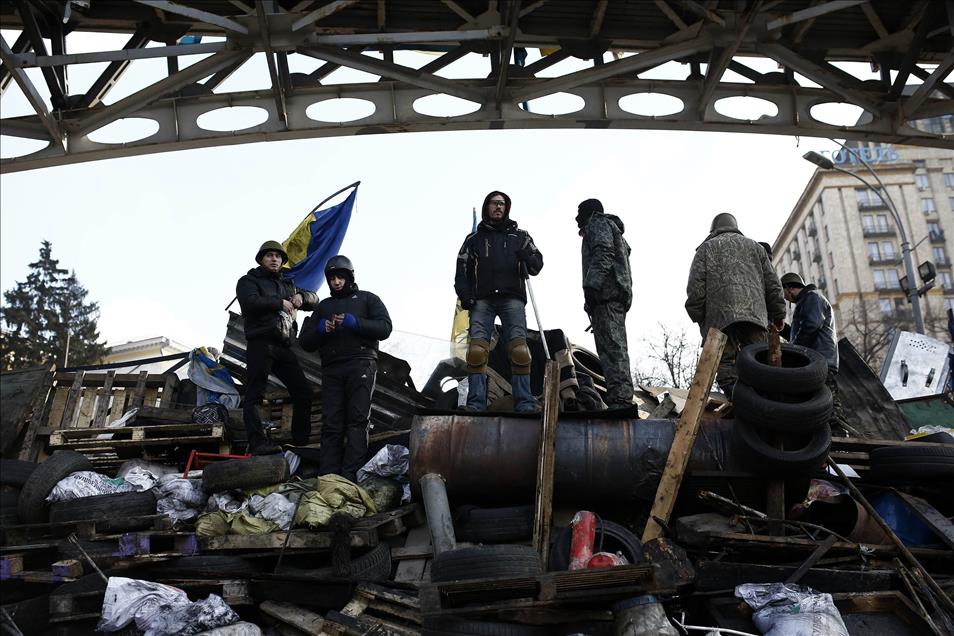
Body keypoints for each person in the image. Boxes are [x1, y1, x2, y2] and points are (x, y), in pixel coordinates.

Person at [299, 255, 392, 482]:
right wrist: (320, 328)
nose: (336, 282)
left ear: (349, 277)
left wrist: (356, 323)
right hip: (332, 368)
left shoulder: (368, 299)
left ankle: (352, 476)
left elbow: (385, 327)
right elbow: (305, 341)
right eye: (332, 278)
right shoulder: (324, 307)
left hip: (361, 364)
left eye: (340, 277)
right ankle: (328, 476)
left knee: (357, 422)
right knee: (331, 423)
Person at [454, 190, 544, 412]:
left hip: (512, 298)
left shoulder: (520, 236)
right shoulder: (474, 239)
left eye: (502, 204)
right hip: (482, 300)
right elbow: (461, 271)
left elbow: (537, 266)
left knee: (520, 350)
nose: (498, 207)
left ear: (507, 208)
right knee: (476, 351)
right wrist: (465, 295)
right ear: (487, 207)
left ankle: (524, 402)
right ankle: (476, 403)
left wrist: (527, 256)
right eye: (494, 203)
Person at [685, 213, 786, 398]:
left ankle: (736, 396)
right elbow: (773, 285)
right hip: (755, 316)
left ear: (713, 229)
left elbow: (695, 289)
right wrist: (778, 314)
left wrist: (698, 315)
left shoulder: (705, 249)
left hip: (720, 318)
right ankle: (764, 400)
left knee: (724, 362)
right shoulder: (756, 248)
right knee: (759, 359)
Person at [236, 241, 318, 454]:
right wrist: (279, 303)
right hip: (260, 343)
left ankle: (300, 442)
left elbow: (315, 300)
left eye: (278, 256)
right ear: (261, 259)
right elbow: (249, 303)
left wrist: (303, 296)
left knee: (303, 391)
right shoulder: (248, 281)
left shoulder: (288, 284)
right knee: (254, 394)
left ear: (282, 261)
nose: (274, 259)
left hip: (283, 346)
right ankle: (258, 443)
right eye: (269, 255)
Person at [576, 198, 635, 409]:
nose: (576, 218)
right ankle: (619, 396)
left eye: (579, 212)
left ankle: (621, 398)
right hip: (611, 296)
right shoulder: (611, 228)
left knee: (613, 349)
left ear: (589, 212)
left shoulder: (598, 223)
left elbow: (604, 252)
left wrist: (592, 285)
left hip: (607, 296)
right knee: (613, 347)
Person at [780, 272, 846, 429]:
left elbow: (811, 326)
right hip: (817, 360)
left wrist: (794, 351)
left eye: (784, 294)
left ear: (789, 288)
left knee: (830, 407)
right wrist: (783, 330)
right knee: (818, 405)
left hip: (820, 361)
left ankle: (840, 436)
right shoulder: (807, 300)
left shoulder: (811, 297)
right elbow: (802, 331)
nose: (785, 298)